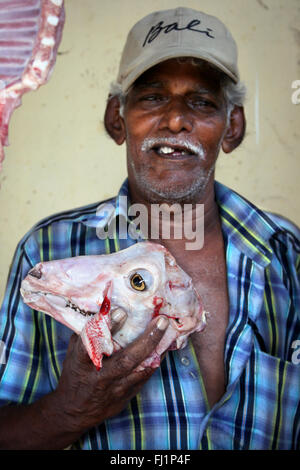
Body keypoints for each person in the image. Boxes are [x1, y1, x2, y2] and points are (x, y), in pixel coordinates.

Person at [0, 7, 299, 450]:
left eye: (201, 101)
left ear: (232, 127)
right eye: (153, 97)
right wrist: (69, 409)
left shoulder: (288, 256)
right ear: (116, 120)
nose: (176, 120)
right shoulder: (49, 252)